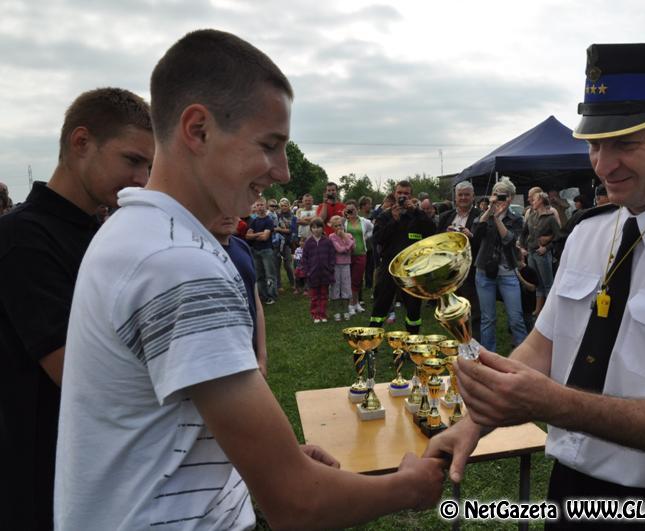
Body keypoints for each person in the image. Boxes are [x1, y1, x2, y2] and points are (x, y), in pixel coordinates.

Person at [54, 29, 443, 531]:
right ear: (198, 130)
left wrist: (264, 461)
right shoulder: (178, 262)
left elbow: (154, 427)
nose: (282, 171)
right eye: (269, 145)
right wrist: (412, 485)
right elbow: (296, 503)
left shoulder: (136, 232)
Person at [425, 43, 645, 530]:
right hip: (568, 491)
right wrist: (475, 423)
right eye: (595, 144)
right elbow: (544, 345)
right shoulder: (591, 233)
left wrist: (553, 404)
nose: (602, 165)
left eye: (626, 144)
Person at [0, 87, 153, 531]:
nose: (142, 178)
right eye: (132, 160)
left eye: (149, 166)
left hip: (107, 465)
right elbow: (78, 373)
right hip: (41, 475)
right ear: (81, 142)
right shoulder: (22, 238)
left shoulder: (102, 233)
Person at [369, 180, 436, 333]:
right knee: (381, 303)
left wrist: (417, 211)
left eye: (406, 194)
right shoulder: (385, 216)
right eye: (399, 193)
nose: (402, 196)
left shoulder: (417, 215)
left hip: (412, 268)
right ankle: (372, 338)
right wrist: (394, 220)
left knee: (413, 307)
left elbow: (432, 231)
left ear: (411, 196)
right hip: (389, 266)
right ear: (394, 194)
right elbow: (377, 238)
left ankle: (412, 339)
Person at [471, 177, 527, 352]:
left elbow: (509, 240)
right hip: (484, 271)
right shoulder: (485, 215)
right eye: (496, 194)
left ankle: (523, 356)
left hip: (508, 272)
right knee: (488, 319)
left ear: (510, 198)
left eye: (503, 195)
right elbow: (476, 233)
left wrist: (497, 218)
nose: (499, 198)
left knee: (516, 318)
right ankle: (489, 357)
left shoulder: (516, 219)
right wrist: (490, 210)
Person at [209, 214, 268, 378]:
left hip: (250, 350)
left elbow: (256, 304)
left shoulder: (242, 246)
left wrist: (262, 355)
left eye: (233, 209)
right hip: (221, 358)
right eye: (220, 209)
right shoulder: (198, 252)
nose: (228, 215)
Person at [437, 180, 482, 344]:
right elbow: (436, 242)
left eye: (466, 195)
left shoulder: (480, 216)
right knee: (454, 309)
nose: (463, 198)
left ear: (473, 196)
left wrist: (471, 236)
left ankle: (474, 344)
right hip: (451, 270)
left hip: (471, 269)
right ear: (455, 197)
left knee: (473, 309)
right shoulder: (445, 217)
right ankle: (458, 341)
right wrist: (445, 234)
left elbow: (484, 243)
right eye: (460, 195)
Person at [519, 192, 560, 317]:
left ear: (541, 201)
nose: (532, 202)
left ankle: (551, 312)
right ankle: (538, 310)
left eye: (535, 199)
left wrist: (546, 248)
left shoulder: (550, 218)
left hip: (542, 254)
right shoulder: (532, 216)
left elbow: (559, 236)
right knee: (537, 283)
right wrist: (522, 247)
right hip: (531, 252)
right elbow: (524, 232)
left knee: (548, 283)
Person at [302, 217, 336, 323]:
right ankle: (315, 314)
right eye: (314, 227)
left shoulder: (327, 241)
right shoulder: (308, 242)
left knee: (324, 295)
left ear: (323, 228)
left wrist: (330, 268)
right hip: (313, 274)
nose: (316, 230)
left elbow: (332, 256)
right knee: (314, 296)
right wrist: (307, 271)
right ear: (311, 229)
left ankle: (322, 313)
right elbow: (304, 258)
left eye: (318, 227)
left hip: (325, 273)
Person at [246, 197, 277, 304]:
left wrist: (254, 236)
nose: (259, 207)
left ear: (265, 206)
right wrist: (259, 233)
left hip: (267, 250)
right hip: (256, 251)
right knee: (259, 275)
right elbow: (247, 236)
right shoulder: (254, 221)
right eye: (257, 205)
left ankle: (271, 295)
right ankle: (263, 296)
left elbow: (265, 237)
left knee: (269, 274)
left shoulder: (269, 220)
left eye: (261, 205)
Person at [344, 201, 373, 315]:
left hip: (361, 253)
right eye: (348, 210)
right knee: (349, 279)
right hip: (347, 254)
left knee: (357, 279)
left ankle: (355, 303)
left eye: (353, 209)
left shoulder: (364, 221)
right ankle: (351, 303)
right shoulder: (344, 222)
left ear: (357, 209)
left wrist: (365, 236)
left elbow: (372, 229)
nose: (351, 211)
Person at [274, 197, 297, 292]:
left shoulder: (293, 217)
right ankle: (279, 285)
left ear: (289, 205)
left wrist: (280, 229)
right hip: (277, 243)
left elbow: (292, 230)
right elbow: (274, 227)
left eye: (285, 205)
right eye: (282, 205)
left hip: (287, 243)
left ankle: (293, 283)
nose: (284, 207)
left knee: (288, 265)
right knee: (277, 264)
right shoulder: (277, 215)